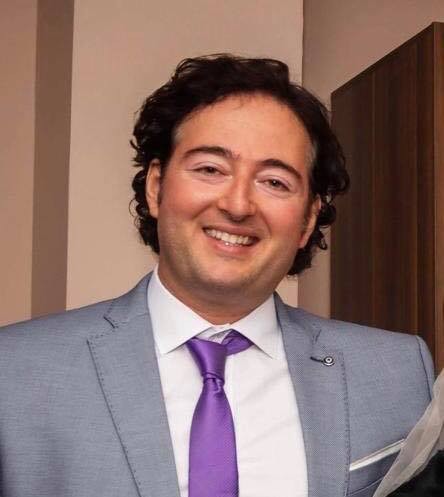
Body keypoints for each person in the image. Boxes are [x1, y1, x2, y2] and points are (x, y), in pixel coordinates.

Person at [0, 55, 434, 497]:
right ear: (156, 187)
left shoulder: (395, 371)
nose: (238, 205)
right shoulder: (14, 369)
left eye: (274, 182)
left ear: (308, 219)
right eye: (210, 169)